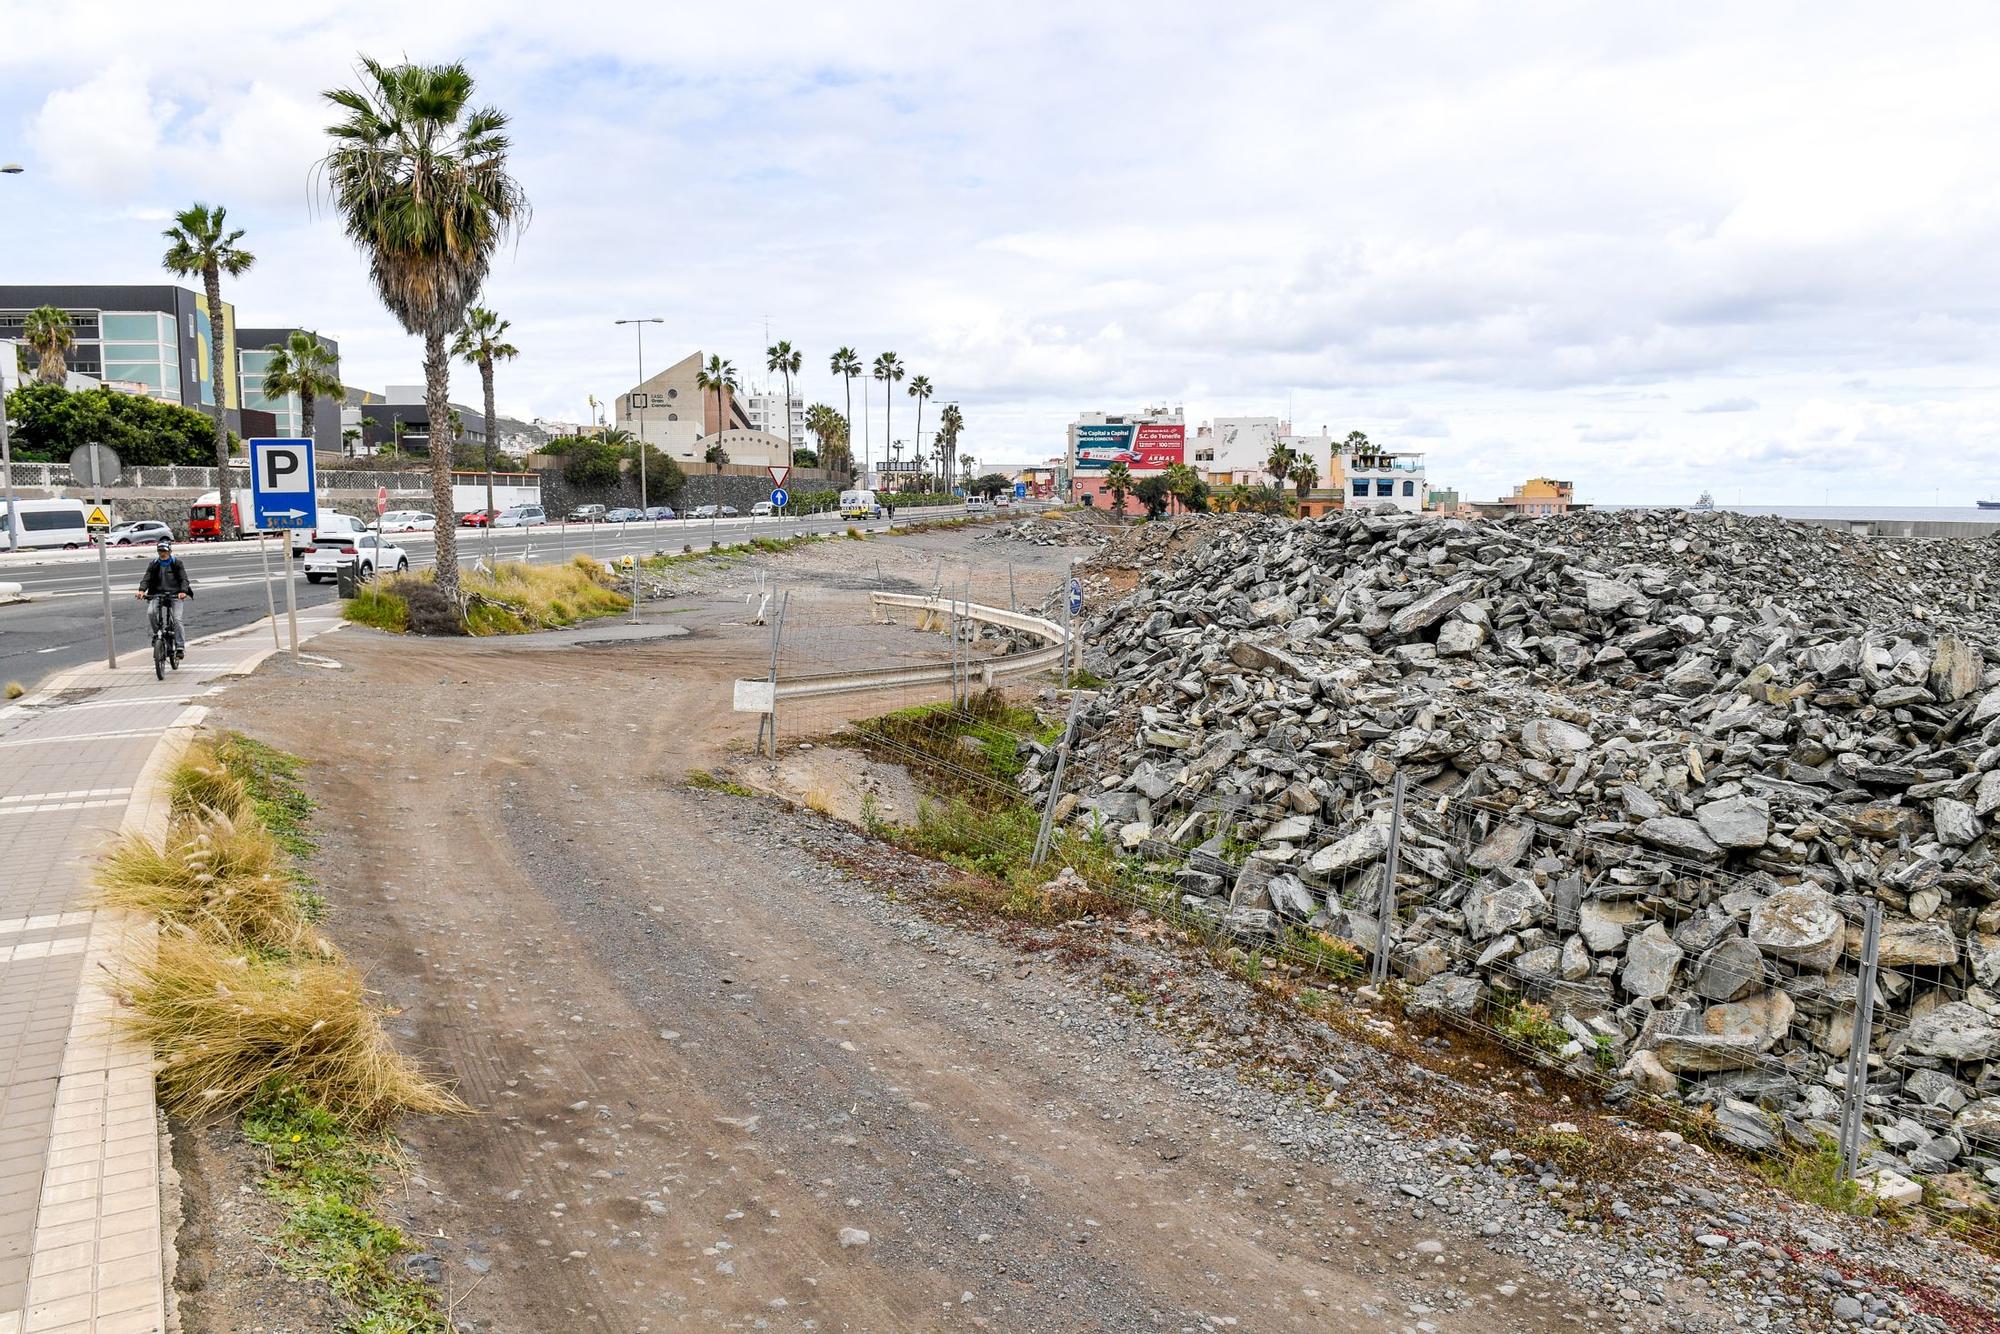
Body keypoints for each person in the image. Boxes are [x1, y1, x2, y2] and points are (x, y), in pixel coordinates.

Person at [136, 538, 193, 652]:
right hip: (157, 594)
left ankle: (180, 646)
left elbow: (184, 579)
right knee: (151, 613)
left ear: (169, 551)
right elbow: (146, 578)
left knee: (177, 619)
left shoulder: (176, 563)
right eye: (160, 551)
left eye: (164, 551)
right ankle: (157, 634)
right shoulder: (154, 564)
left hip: (175, 595)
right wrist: (142, 590)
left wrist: (183, 591)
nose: (162, 553)